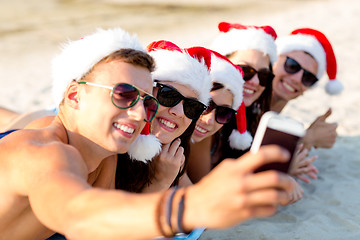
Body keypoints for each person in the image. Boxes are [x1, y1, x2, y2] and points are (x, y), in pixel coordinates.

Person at [0, 27, 295, 240]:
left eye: (147, 100)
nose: (141, 113)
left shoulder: (106, 153)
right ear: (75, 96)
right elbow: (79, 214)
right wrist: (192, 206)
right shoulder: (43, 154)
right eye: (125, 94)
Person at [116, 40, 212, 193]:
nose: (178, 112)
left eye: (192, 106)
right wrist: (160, 182)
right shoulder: (112, 147)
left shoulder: (171, 156)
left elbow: (201, 207)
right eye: (168, 95)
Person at [271, 28, 343, 151]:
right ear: (275, 58)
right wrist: (307, 137)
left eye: (308, 77)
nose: (297, 79)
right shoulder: (247, 90)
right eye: (292, 65)